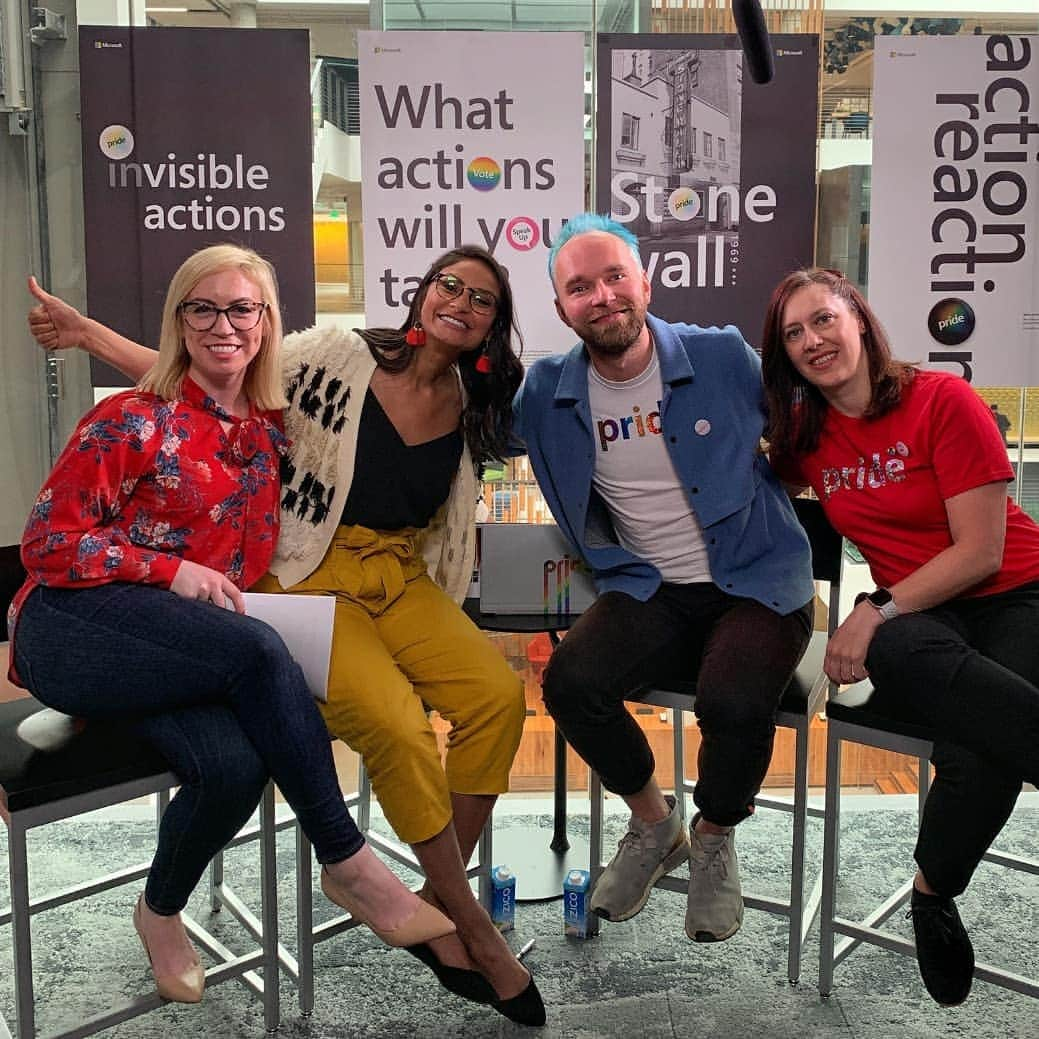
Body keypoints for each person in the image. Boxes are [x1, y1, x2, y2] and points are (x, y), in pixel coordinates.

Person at [26, 245, 543, 1026]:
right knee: (275, 658)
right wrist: (88, 336)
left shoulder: (262, 427)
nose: (225, 326)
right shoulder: (149, 410)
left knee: (236, 765)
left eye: (481, 298)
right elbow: (53, 536)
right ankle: (355, 862)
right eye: (203, 309)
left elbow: (223, 367)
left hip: (225, 624)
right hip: (91, 616)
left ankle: (163, 908)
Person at [512, 213, 815, 943]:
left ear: (645, 281)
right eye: (579, 287)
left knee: (733, 699)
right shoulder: (545, 393)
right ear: (561, 310)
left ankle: (714, 836)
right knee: (569, 682)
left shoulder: (722, 357)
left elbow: (812, 423)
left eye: (614, 275)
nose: (602, 295)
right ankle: (655, 824)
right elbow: (461, 424)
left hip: (757, 581)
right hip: (647, 585)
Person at [760, 266, 1039, 1007]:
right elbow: (753, 482)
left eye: (822, 319)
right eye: (793, 333)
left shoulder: (940, 399)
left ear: (857, 317)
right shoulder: (805, 437)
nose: (812, 340)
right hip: (923, 619)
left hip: (1016, 592)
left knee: (978, 748)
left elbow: (979, 552)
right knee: (897, 649)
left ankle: (930, 890)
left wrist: (872, 608)